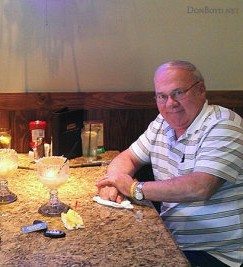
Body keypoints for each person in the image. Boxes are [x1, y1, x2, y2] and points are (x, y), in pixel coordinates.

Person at [96, 60, 243, 267]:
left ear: (201, 90)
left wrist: (133, 188)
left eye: (178, 93)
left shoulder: (224, 124)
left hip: (216, 254)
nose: (170, 103)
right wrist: (113, 183)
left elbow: (201, 187)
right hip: (173, 242)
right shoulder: (162, 124)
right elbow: (127, 157)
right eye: (162, 96)